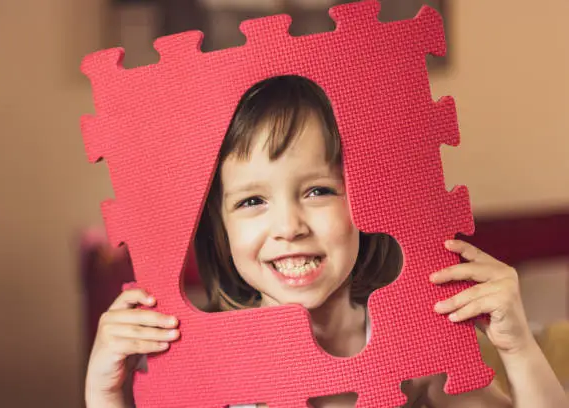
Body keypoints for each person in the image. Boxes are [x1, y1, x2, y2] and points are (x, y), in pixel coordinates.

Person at [84, 75, 568, 408]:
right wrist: (103, 394)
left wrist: (519, 347)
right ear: (220, 227)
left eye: (318, 191)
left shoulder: (415, 343)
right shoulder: (207, 362)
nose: (289, 225)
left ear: (370, 201)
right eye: (252, 201)